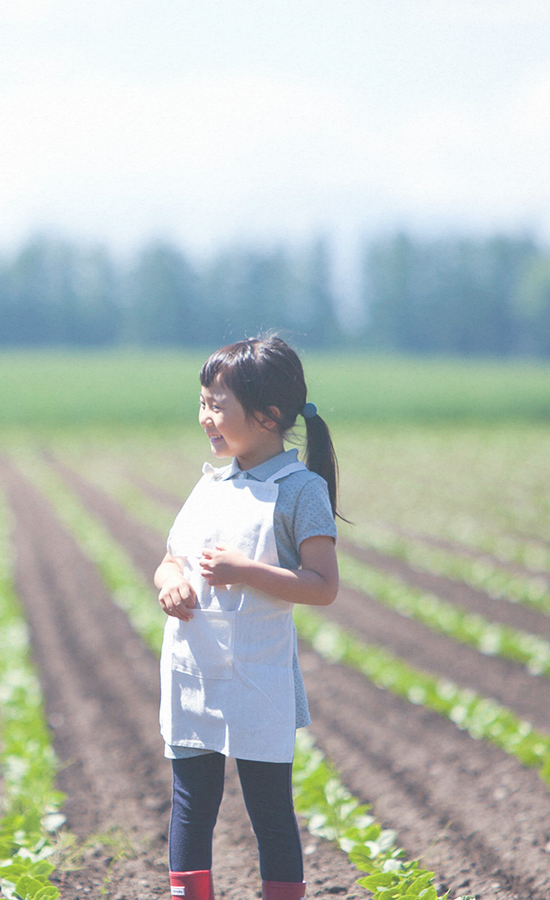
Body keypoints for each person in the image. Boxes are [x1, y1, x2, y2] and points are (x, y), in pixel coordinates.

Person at [152, 336, 341, 900]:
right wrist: (172, 586)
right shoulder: (209, 484)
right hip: (193, 669)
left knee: (269, 810)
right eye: (203, 402)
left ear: (269, 415)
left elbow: (323, 586)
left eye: (217, 404)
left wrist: (245, 571)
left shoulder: (300, 490)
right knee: (191, 806)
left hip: (258, 675)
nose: (206, 417)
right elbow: (167, 561)